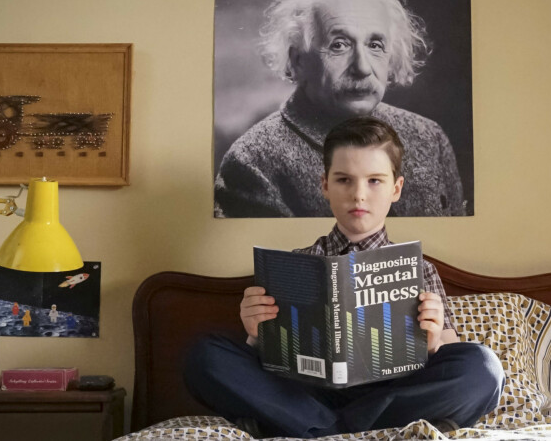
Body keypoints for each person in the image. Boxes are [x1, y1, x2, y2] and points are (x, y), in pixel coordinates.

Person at [187, 117, 503, 438]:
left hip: (393, 394)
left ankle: (321, 429)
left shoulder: (421, 269)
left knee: (483, 367)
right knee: (205, 356)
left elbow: (451, 356)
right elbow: (268, 363)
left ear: (396, 189)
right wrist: (256, 334)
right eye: (344, 180)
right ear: (325, 185)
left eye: (375, 180)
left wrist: (433, 344)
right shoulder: (294, 264)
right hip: (307, 393)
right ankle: (343, 428)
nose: (358, 195)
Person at [214, 0, 466, 218]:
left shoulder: (430, 137)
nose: (362, 68)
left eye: (375, 45)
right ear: (298, 60)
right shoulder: (252, 162)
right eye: (339, 45)